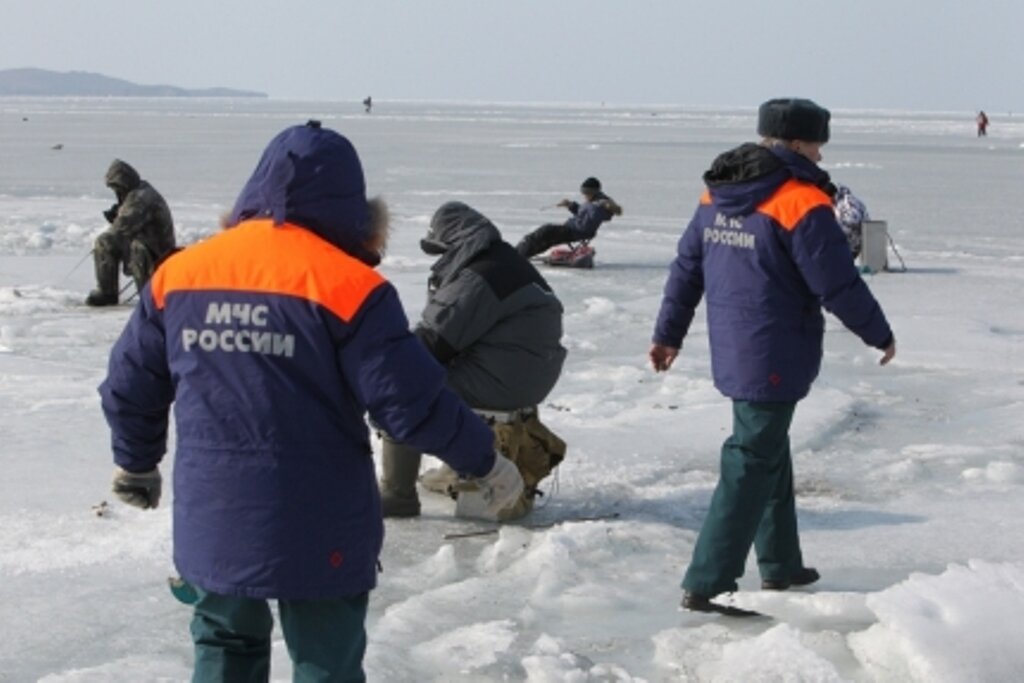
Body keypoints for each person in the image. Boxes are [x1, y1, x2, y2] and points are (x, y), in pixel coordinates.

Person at [98, 121, 524, 680]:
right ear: (352, 209)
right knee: (326, 660)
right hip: (321, 524)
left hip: (215, 516)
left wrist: (135, 462)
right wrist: (486, 462)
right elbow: (410, 402)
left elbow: (130, 382)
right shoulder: (349, 286)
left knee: (224, 646)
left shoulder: (180, 275)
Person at [649, 98, 896, 616]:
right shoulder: (801, 201)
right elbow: (837, 283)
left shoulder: (718, 193)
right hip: (773, 348)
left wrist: (668, 333)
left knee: (768, 448)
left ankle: (781, 562)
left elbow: (686, 268)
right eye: (818, 143)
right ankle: (707, 581)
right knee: (752, 455)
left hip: (738, 345)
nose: (822, 154)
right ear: (800, 143)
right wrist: (878, 333)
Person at [381, 201, 568, 519]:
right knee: (430, 374)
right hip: (525, 375)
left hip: (502, 380)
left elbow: (434, 340)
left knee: (404, 389)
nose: (441, 259)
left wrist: (382, 368)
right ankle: (455, 469)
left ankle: (396, 495)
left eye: (441, 250)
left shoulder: (480, 276)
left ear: (454, 242)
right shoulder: (503, 261)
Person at [86, 159, 175, 306]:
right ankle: (107, 292)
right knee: (107, 241)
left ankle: (148, 296)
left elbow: (123, 226)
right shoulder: (136, 192)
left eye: (117, 187)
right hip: (142, 244)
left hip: (157, 250)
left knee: (119, 243)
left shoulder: (141, 196)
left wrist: (118, 219)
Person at [515, 177, 621, 258]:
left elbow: (586, 225)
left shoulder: (596, 206)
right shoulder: (595, 203)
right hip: (574, 230)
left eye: (586, 193)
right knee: (546, 237)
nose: (584, 196)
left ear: (593, 192)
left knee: (545, 231)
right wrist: (570, 205)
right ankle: (523, 252)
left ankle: (519, 253)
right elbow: (582, 215)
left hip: (575, 232)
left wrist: (569, 224)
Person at [831, 183, 869, 258]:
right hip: (850, 243)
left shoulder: (847, 202)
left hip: (850, 245)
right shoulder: (841, 202)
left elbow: (854, 220)